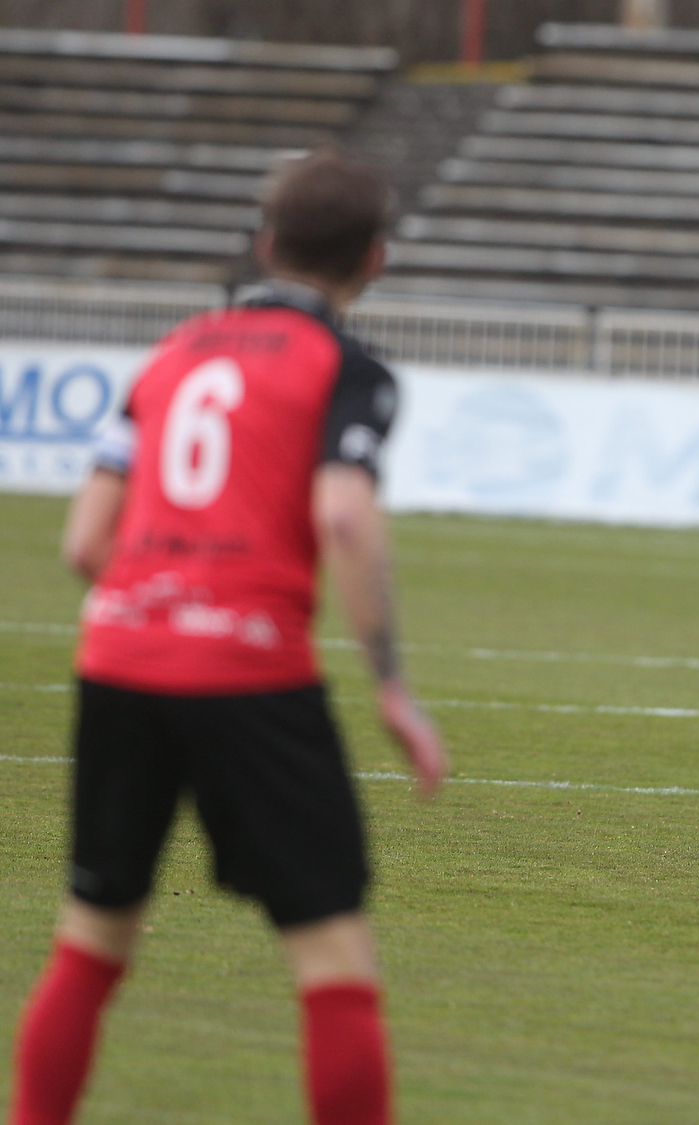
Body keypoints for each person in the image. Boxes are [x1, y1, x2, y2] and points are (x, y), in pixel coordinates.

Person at [8, 149, 447, 1125]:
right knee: (331, 953)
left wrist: (162, 597)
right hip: (248, 670)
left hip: (119, 659)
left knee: (92, 938)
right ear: (374, 259)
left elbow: (84, 541)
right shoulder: (347, 368)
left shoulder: (173, 352)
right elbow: (344, 515)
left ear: (265, 242)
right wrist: (391, 686)